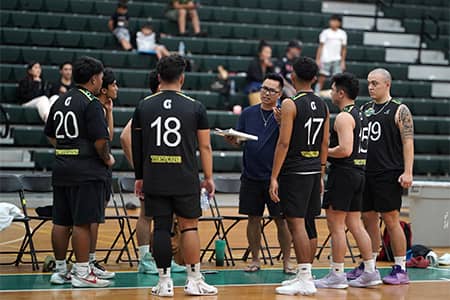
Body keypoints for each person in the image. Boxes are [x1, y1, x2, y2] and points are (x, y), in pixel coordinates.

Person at [132, 55, 217, 296]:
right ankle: (194, 280)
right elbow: (205, 147)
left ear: (159, 77)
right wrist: (208, 177)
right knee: (189, 227)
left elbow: (138, 146)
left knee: (160, 228)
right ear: (182, 78)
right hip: (185, 176)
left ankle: (163, 283)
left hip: (154, 175)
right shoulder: (195, 106)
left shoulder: (143, 105)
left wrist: (140, 176)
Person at [44, 56, 114, 288]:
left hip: (62, 168)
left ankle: (61, 270)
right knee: (83, 222)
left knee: (61, 221)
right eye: (102, 77)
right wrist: (107, 158)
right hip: (86, 171)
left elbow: (50, 135)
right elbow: (100, 141)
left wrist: (67, 150)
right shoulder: (91, 103)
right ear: (94, 79)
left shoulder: (60, 100)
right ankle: (82, 272)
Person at [313, 73, 382, 289]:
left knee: (336, 226)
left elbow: (344, 149)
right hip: (358, 173)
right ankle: (370, 271)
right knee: (355, 224)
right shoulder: (361, 114)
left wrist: (322, 151)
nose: (331, 93)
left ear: (341, 93)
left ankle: (337, 274)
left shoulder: (343, 117)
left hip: (344, 174)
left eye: (333, 89)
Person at [269, 56, 329, 296]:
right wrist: (322, 171)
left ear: (292, 77)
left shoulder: (290, 104)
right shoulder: (323, 105)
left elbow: (284, 143)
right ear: (315, 79)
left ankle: (305, 279)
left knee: (296, 223)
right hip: (314, 169)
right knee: (309, 223)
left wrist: (274, 176)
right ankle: (306, 275)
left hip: (294, 170)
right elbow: (325, 141)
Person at [225, 73, 293, 274]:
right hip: (251, 176)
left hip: (276, 178)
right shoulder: (248, 113)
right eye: (264, 88)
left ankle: (287, 261)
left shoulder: (284, 115)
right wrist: (233, 141)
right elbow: (240, 141)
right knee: (253, 219)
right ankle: (255, 259)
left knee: (282, 220)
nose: (266, 93)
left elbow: (289, 142)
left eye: (271, 90)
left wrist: (282, 123)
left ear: (280, 94)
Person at [120, 70, 186, 275]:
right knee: (146, 214)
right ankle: (144, 259)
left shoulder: (166, 106)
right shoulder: (149, 106)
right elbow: (124, 137)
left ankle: (162, 259)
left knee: (164, 216)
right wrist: (139, 169)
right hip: (152, 172)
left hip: (167, 171)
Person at [358, 68, 414, 285]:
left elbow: (408, 142)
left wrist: (408, 171)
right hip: (366, 172)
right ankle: (369, 265)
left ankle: (400, 267)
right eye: (369, 83)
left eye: (375, 83)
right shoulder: (364, 108)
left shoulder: (399, 110)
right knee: (368, 219)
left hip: (389, 172)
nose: (371, 87)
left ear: (387, 85)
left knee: (391, 220)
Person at [86, 69, 118, 280]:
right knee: (93, 218)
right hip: (94, 169)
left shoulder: (102, 107)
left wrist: (110, 111)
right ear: (104, 88)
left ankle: (88, 260)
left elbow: (109, 136)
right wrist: (107, 159)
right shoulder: (93, 107)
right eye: (114, 84)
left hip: (98, 170)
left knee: (95, 217)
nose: (117, 88)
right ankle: (88, 261)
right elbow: (102, 141)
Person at [315, 15, 347, 92]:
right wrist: (318, 59)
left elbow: (344, 49)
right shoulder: (325, 32)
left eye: (335, 21)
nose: (332, 22)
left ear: (339, 23)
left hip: (337, 60)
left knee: (338, 79)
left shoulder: (342, 33)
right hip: (325, 59)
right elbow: (320, 46)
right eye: (332, 20)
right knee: (321, 78)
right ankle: (316, 93)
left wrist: (343, 61)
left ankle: (336, 93)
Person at [246, 41, 275, 106]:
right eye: (266, 52)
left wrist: (271, 68)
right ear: (260, 53)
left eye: (269, 53)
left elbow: (273, 78)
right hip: (254, 87)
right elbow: (255, 78)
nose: (268, 55)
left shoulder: (270, 66)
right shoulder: (254, 63)